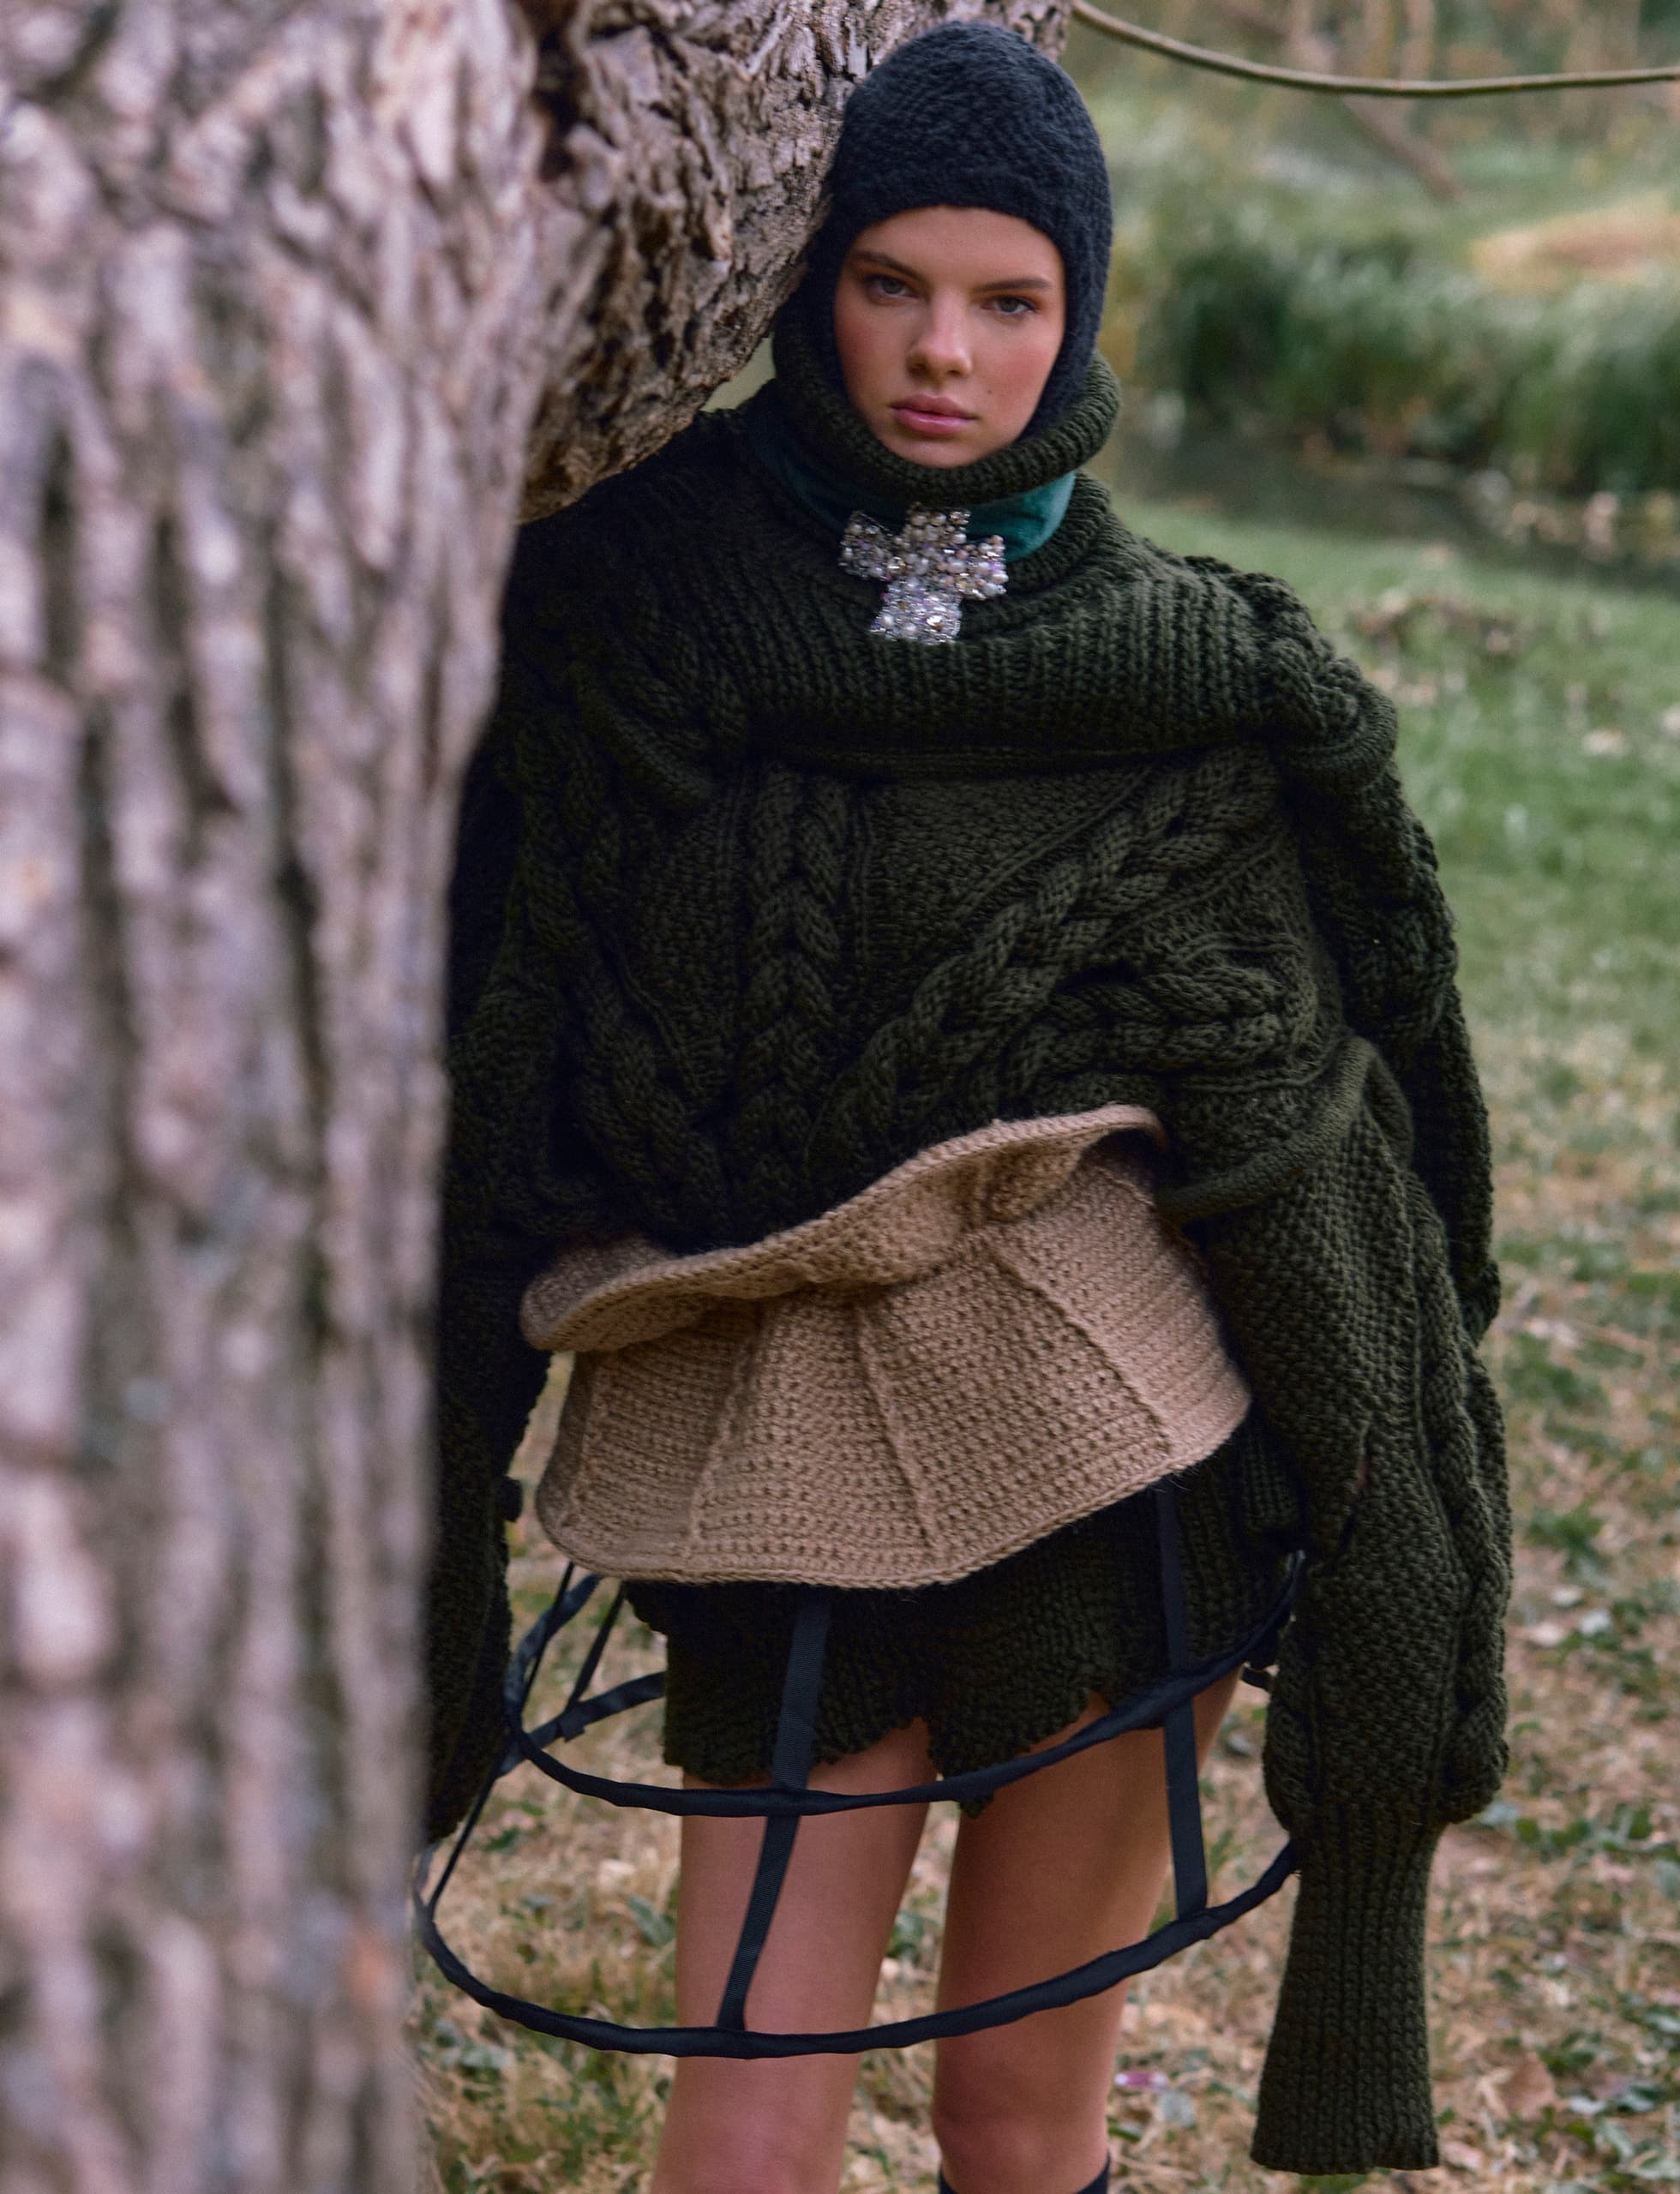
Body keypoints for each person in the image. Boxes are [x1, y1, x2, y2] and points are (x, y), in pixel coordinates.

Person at [428, 24, 1510, 2194]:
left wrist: (1387, 1554)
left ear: (1076, 313)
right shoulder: (614, 611)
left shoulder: (1204, 683)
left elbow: (1340, 1152)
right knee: (741, 2118)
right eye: (889, 282)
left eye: (1008, 300)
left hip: (1119, 1485)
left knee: (1021, 2125)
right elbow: (486, 1071)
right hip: (774, 1473)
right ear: (803, 280)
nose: (945, 353)